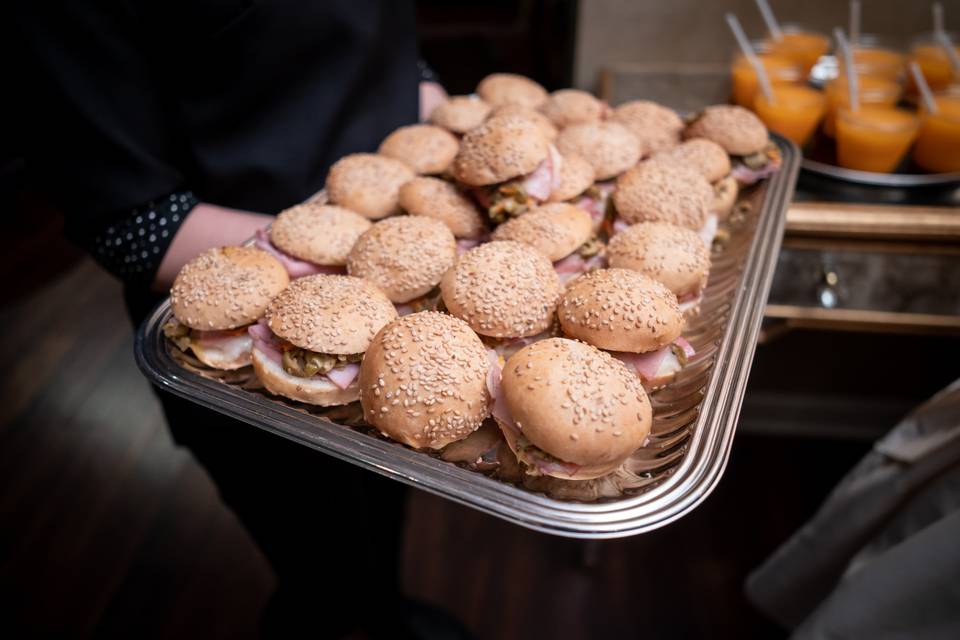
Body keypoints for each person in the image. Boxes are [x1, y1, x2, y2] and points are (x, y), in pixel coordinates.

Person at [12, 2, 460, 638]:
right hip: (244, 340)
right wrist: (359, 260)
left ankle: (382, 612)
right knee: (324, 558)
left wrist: (433, 114)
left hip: (397, 284)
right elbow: (129, 221)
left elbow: (376, 37)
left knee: (382, 509)